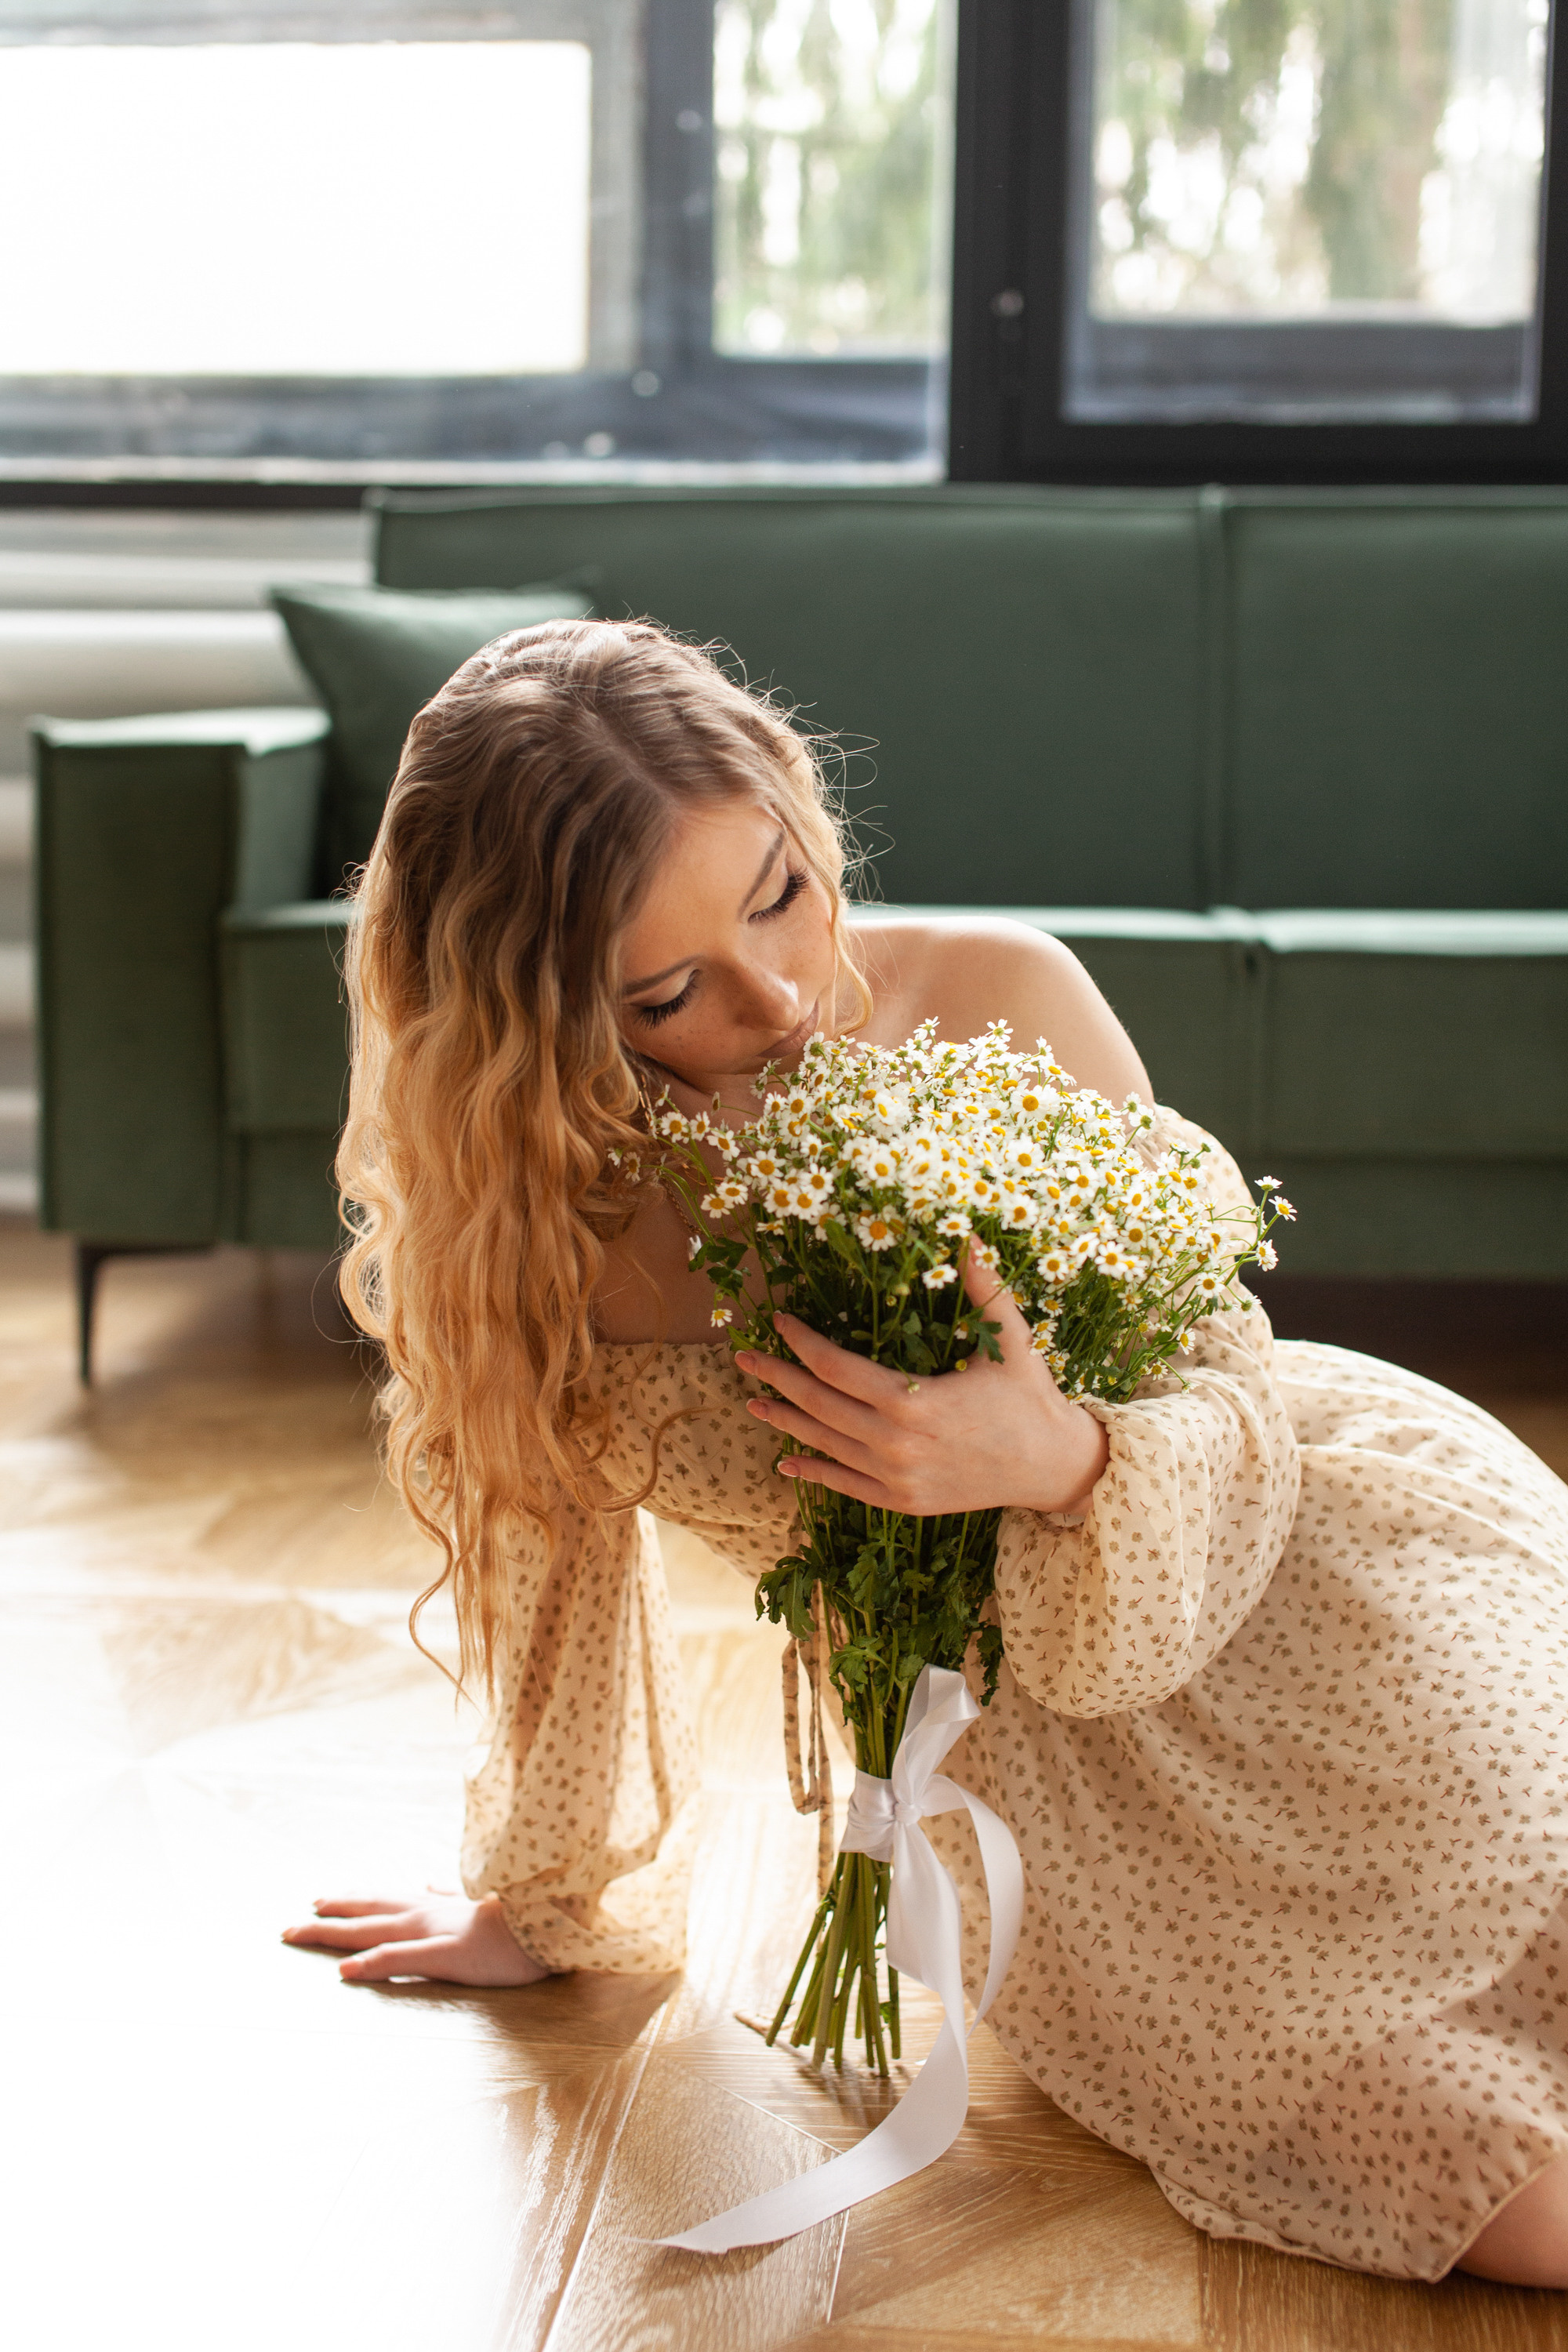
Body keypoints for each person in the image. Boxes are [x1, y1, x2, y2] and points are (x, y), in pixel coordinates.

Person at [284, 619, 1568, 2288]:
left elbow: (1220, 1376)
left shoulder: (1001, 994)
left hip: (1311, 1588)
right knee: (1513, 2208)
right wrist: (538, 1897)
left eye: (782, 894)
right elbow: (547, 1548)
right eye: (665, 992)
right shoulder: (538, 1219)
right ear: (531, 1013)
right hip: (1038, 1787)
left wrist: (1054, 1458)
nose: (778, 997)